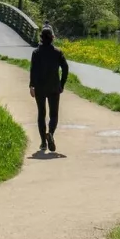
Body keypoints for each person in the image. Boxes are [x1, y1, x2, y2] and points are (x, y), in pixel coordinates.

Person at [28, 25, 70, 154]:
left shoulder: (36, 53)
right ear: (52, 37)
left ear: (41, 38)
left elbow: (33, 70)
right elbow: (66, 68)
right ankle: (50, 133)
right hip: (54, 87)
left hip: (40, 87)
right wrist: (62, 84)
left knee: (41, 114)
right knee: (54, 115)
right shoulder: (57, 52)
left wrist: (31, 86)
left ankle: (43, 142)